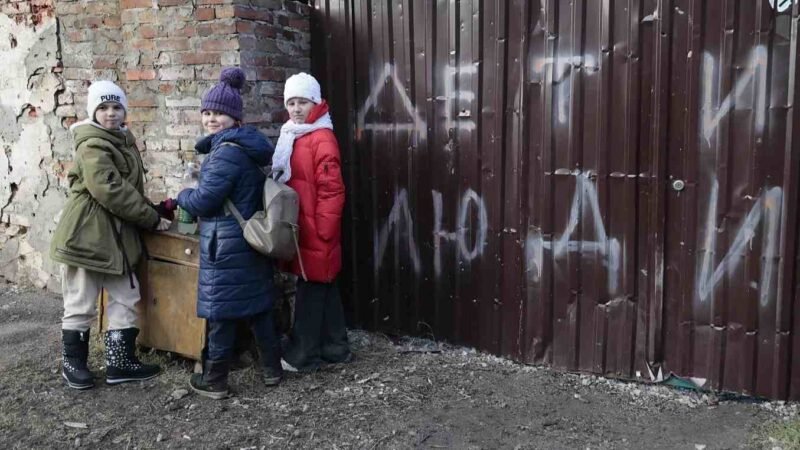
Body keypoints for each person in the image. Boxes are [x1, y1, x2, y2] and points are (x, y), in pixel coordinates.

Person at [50, 80, 171, 390]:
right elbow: (110, 190)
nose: (111, 113)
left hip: (119, 233)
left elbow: (128, 188)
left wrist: (153, 210)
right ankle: (73, 364)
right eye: (103, 108)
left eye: (116, 107)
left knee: (126, 297)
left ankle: (120, 363)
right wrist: (149, 219)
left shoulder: (121, 139)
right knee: (81, 300)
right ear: (93, 112)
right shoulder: (92, 144)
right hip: (87, 233)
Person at [174, 67, 282, 399]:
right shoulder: (244, 148)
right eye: (206, 112)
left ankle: (215, 380)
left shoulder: (225, 154)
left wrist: (181, 195)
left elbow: (205, 202)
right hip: (247, 241)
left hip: (225, 244)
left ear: (234, 118)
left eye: (218, 113)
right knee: (258, 308)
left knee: (222, 312)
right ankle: (272, 371)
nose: (211, 119)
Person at [273, 72, 351, 373]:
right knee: (324, 285)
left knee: (311, 288)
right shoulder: (293, 133)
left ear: (316, 103)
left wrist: (324, 231)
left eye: (302, 102)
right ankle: (336, 347)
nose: (296, 109)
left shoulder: (321, 138)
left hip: (318, 228)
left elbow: (332, 190)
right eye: (291, 102)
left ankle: (302, 354)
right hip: (302, 226)